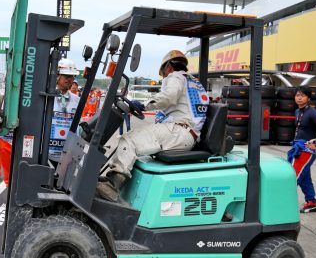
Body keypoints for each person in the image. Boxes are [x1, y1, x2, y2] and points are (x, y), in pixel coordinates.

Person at [96, 50, 209, 202]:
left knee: (128, 140)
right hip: (185, 133)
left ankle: (112, 186)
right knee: (137, 139)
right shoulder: (194, 82)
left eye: (163, 74)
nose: (164, 77)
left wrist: (143, 105)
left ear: (168, 67)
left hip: (180, 132)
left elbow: (168, 97)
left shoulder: (175, 77)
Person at [287, 86, 316, 213]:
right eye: (297, 95)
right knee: (305, 178)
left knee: (293, 176)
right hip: (298, 147)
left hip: (306, 150)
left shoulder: (312, 112)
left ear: (308, 98)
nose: (299, 97)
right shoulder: (297, 111)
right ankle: (311, 202)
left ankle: (281, 203)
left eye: (302, 95)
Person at [50, 58, 80, 163]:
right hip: (48, 151)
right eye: (66, 76)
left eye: (72, 77)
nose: (70, 80)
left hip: (67, 152)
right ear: (57, 76)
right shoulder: (48, 98)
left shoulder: (76, 100)